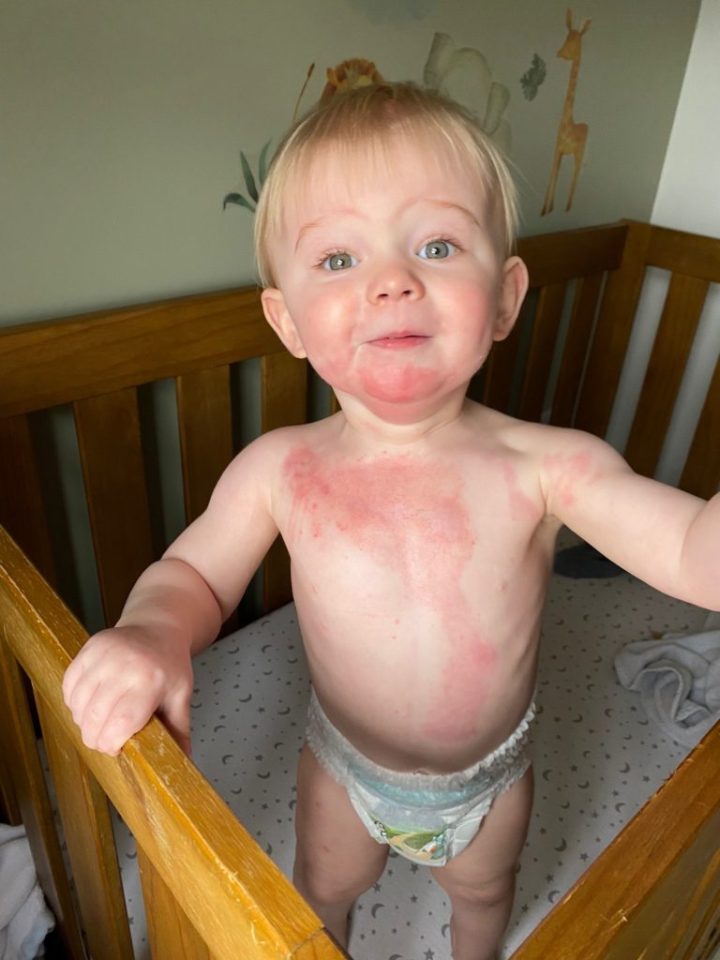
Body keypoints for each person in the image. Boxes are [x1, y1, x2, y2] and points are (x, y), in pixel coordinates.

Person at [62, 82, 720, 960]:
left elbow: (687, 549)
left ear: (506, 297)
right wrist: (150, 631)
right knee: (321, 894)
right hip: (343, 767)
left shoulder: (550, 467)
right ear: (287, 319)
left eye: (438, 244)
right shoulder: (280, 470)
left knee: (483, 902)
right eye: (338, 261)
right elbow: (194, 576)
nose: (391, 282)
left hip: (488, 779)